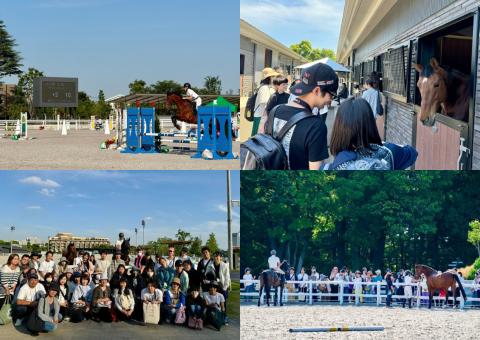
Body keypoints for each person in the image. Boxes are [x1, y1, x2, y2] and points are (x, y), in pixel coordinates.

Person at [269, 63, 337, 170]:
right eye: (331, 95)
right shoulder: (316, 126)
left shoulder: (275, 111)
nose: (330, 101)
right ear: (317, 91)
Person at [326, 98, 418, 170]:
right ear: (370, 124)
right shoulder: (389, 152)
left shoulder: (335, 165)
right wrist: (385, 145)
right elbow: (412, 152)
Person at [252, 67, 279, 135]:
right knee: (257, 138)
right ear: (269, 78)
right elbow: (264, 103)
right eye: (273, 76)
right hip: (261, 116)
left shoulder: (268, 87)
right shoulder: (264, 88)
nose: (274, 78)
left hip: (264, 116)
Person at [213, 252, 230, 320]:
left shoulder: (224, 265)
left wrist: (225, 287)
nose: (216, 258)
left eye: (218, 256)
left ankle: (224, 316)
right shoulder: (211, 265)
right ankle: (216, 316)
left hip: (222, 286)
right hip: (214, 286)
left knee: (223, 302)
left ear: (220, 258)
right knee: (215, 301)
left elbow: (227, 277)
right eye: (215, 256)